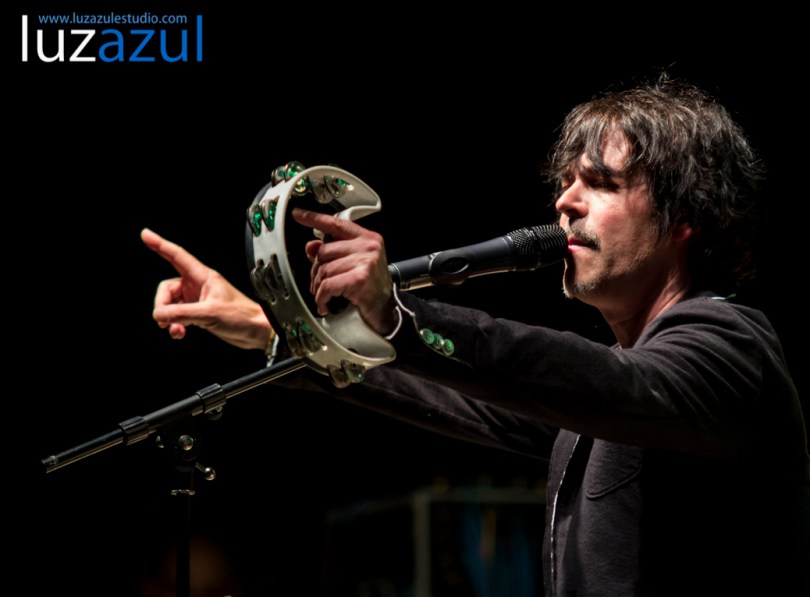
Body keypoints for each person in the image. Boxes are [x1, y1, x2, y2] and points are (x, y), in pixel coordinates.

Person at [141, 76, 810, 596]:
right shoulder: (602, 400)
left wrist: (396, 314)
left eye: (600, 183)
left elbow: (603, 381)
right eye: (564, 182)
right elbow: (462, 394)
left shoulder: (730, 347)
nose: (565, 201)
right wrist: (270, 325)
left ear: (685, 216)